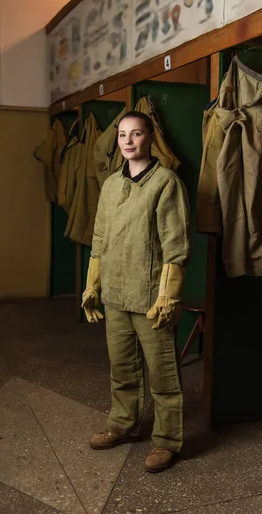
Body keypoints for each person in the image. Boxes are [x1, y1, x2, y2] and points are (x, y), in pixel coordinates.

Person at [81, 111, 191, 473]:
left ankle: (166, 441)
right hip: (115, 294)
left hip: (149, 297)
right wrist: (92, 284)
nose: (128, 141)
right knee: (122, 369)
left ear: (149, 138)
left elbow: (175, 246)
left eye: (137, 134)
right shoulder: (112, 184)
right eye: (123, 135)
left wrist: (168, 297)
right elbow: (99, 238)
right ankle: (123, 425)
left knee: (163, 375)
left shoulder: (166, 182)